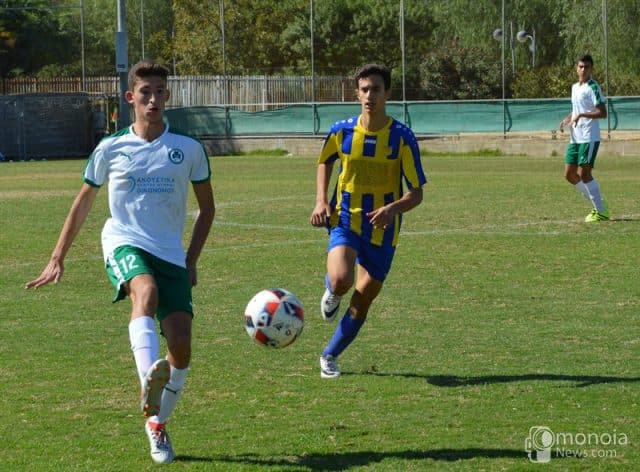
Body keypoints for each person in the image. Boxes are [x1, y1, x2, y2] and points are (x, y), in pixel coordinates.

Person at [25, 60, 215, 464]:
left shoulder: (188, 149)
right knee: (145, 292)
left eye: (160, 91)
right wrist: (57, 257)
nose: (153, 99)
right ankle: (148, 379)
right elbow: (83, 203)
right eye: (145, 92)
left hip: (170, 252)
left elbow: (208, 209)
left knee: (181, 348)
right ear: (131, 97)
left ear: (167, 96)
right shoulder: (110, 148)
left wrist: (192, 259)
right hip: (124, 241)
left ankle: (157, 423)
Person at [309, 63, 427, 379]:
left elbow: (416, 193)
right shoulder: (342, 131)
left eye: (376, 89)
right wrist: (321, 200)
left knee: (362, 301)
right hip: (345, 219)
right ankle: (333, 291)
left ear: (387, 93)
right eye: (364, 89)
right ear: (357, 94)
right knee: (340, 280)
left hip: (383, 231)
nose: (369, 95)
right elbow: (325, 161)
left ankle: (329, 355)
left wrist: (392, 209)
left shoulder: (402, 138)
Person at [559, 54, 609, 222]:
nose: (583, 69)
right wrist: (568, 118)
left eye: (586, 67)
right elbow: (577, 109)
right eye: (580, 66)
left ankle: (601, 211)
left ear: (591, 69)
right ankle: (598, 203)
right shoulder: (575, 87)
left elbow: (603, 113)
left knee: (584, 174)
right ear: (576, 69)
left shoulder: (593, 87)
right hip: (575, 137)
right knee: (569, 174)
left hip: (589, 137)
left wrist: (582, 115)